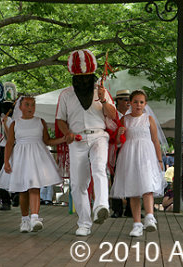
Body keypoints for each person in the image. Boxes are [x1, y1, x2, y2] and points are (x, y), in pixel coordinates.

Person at [56, 49, 116, 236]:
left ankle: (101, 206)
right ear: (73, 77)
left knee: (99, 168)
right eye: (78, 78)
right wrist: (67, 134)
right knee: (78, 183)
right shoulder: (66, 95)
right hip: (77, 139)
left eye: (86, 77)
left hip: (99, 136)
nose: (83, 81)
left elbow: (113, 116)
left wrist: (104, 99)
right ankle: (84, 223)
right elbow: (60, 120)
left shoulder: (102, 90)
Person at [0, 96, 65, 232]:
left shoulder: (41, 122)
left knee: (34, 186)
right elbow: (9, 144)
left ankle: (34, 217)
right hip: (20, 157)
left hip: (37, 157)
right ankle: (25, 219)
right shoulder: (15, 123)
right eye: (27, 105)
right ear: (20, 107)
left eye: (33, 105)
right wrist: (6, 161)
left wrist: (63, 139)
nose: (30, 108)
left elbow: (47, 140)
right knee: (23, 189)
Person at [110, 90, 165, 237]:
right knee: (133, 190)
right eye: (135, 102)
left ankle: (149, 216)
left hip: (146, 156)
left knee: (147, 186)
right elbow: (117, 142)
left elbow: (155, 141)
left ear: (145, 104)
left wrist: (159, 160)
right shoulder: (125, 120)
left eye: (141, 102)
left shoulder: (149, 119)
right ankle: (136, 223)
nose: (138, 105)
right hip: (130, 155)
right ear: (130, 103)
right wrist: (119, 134)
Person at [111, 89, 131, 219]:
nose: (128, 103)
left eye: (129, 100)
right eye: (125, 100)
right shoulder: (111, 114)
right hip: (115, 149)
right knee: (115, 178)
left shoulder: (132, 115)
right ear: (118, 101)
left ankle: (130, 208)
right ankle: (117, 209)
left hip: (129, 149)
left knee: (131, 177)